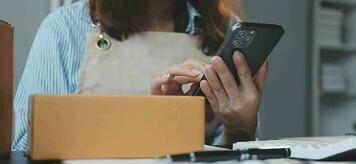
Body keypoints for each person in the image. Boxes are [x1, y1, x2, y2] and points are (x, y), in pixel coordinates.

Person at [12, 0, 267, 152]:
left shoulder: (223, 29)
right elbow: (24, 149)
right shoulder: (64, 28)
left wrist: (239, 129)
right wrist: (152, 124)